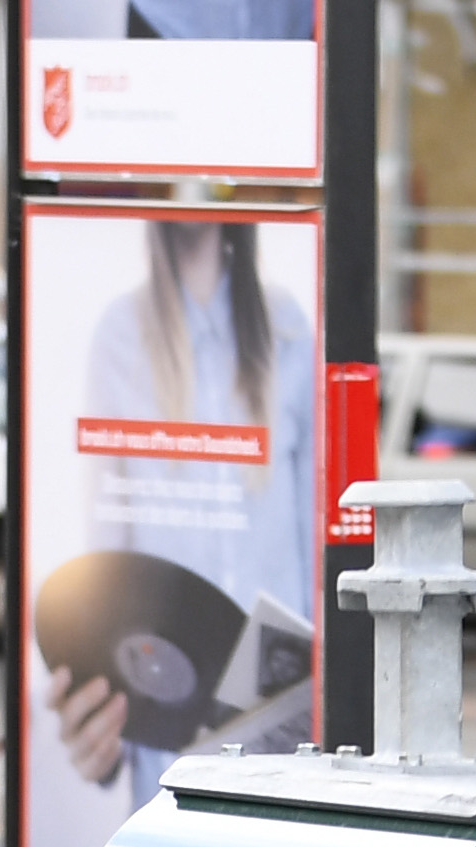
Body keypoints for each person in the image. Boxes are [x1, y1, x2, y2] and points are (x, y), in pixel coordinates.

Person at [41, 218, 326, 813]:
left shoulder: (291, 328)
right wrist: (99, 732)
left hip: (283, 750)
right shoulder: (120, 334)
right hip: (166, 758)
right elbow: (107, 568)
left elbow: (318, 558)